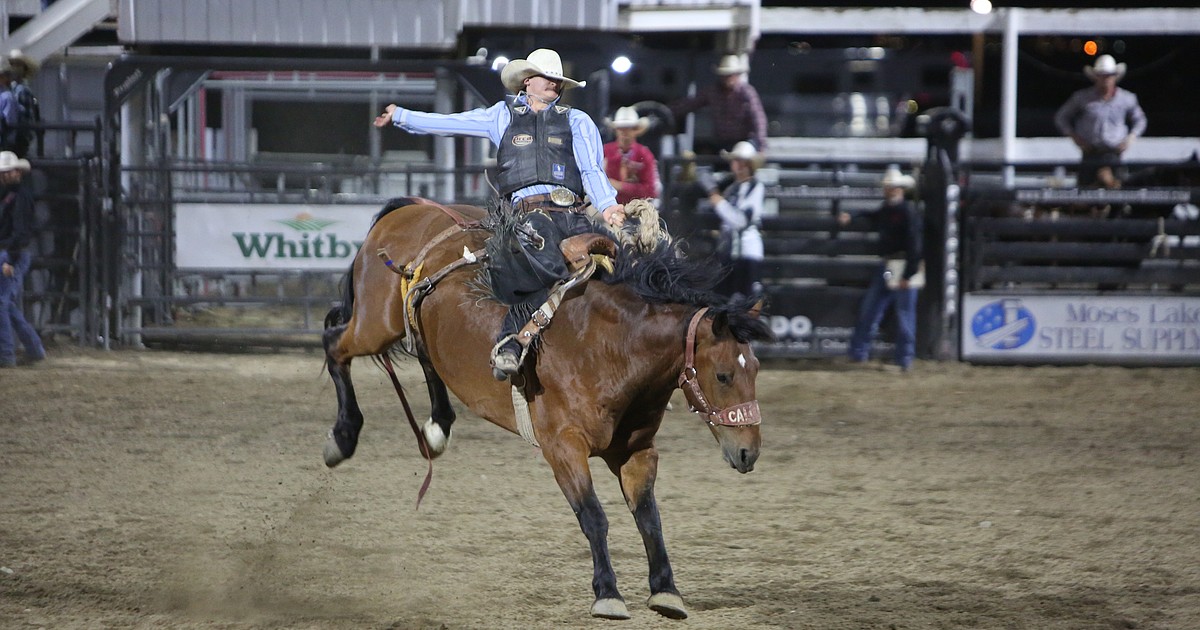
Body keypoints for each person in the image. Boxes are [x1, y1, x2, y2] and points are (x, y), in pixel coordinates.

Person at [373, 48, 625, 381]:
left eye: (556, 78)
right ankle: (511, 338)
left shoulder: (577, 121)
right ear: (527, 81)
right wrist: (402, 115)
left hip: (573, 212)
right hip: (528, 216)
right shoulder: (500, 116)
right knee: (547, 265)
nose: (552, 82)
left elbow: (591, 169)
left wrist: (608, 205)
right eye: (545, 76)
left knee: (620, 266)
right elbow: (450, 124)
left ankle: (624, 354)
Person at [838, 167, 922, 372]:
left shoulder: (906, 211)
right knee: (875, 308)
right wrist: (853, 215)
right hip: (891, 263)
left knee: (900, 313)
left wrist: (909, 273)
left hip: (901, 264)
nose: (888, 190)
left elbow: (915, 244)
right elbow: (871, 215)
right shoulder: (890, 209)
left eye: (891, 186)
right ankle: (863, 353)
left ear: (899, 188)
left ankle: (902, 359)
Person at [1054, 55, 1147, 188]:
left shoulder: (1127, 98)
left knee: (1117, 192)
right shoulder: (1082, 98)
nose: (1105, 79)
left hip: (1114, 153)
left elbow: (1140, 119)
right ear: (1096, 76)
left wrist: (1131, 138)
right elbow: (1062, 117)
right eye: (1102, 75)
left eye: (1109, 75)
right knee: (1085, 193)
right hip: (1091, 152)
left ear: (1115, 77)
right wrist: (1075, 137)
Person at [669, 53, 768, 156]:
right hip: (722, 143)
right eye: (725, 75)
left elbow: (758, 119)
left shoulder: (747, 93)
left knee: (742, 153)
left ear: (737, 75)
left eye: (730, 74)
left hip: (743, 142)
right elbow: (690, 103)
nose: (727, 78)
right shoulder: (712, 92)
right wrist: (668, 111)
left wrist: (761, 146)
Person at [0, 150, 46, 367]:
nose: (4, 176)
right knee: (6, 303)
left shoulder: (18, 197)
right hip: (12, 252)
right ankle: (33, 348)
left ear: (17, 172)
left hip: (12, 253)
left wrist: (10, 258)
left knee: (3, 303)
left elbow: (20, 230)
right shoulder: (13, 195)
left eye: (7, 172)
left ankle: (7, 354)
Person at [704, 141, 765, 299]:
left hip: (746, 251)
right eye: (735, 160)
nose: (737, 165)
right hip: (729, 252)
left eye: (741, 161)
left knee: (745, 301)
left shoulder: (755, 187)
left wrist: (719, 202)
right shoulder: (732, 188)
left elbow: (741, 220)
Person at [602, 106, 659, 205]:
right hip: (608, 206)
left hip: (637, 207)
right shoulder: (604, 151)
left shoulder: (645, 154)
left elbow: (651, 191)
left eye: (629, 128)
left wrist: (620, 186)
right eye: (621, 128)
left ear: (636, 130)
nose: (625, 132)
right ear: (616, 130)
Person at [4, 50, 40, 158]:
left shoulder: (22, 90)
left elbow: (22, 116)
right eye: (12, 64)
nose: (14, 68)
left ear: (23, 69)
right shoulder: (11, 88)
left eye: (17, 65)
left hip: (18, 137)